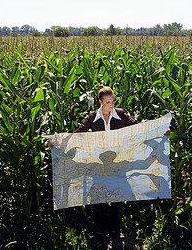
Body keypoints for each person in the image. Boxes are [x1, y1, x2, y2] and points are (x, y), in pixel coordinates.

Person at [49, 85, 170, 240]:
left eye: (113, 101)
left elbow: (138, 127)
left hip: (117, 161)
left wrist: (160, 132)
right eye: (107, 102)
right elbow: (79, 134)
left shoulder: (121, 114)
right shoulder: (92, 117)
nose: (111, 104)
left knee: (117, 196)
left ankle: (115, 230)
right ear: (100, 101)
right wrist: (58, 144)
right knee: (98, 195)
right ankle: (98, 230)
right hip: (99, 162)